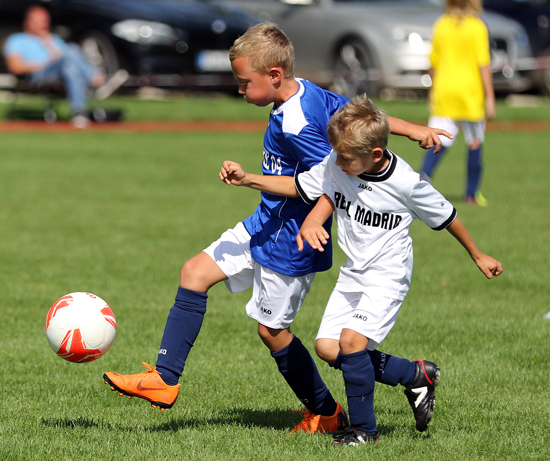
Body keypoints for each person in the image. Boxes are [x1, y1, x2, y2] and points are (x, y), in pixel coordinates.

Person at [103, 23, 452, 434]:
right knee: (194, 272)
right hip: (265, 222)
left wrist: (301, 213)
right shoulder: (307, 91)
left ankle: (333, 409)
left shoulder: (298, 123)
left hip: (290, 240)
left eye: (243, 83)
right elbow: (361, 117)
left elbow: (332, 177)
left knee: (272, 332)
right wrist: (414, 130)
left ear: (273, 75)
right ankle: (165, 379)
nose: (239, 90)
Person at [219, 94, 503, 445]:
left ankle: (365, 432)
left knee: (352, 342)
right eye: (336, 155)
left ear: (376, 154)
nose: (337, 162)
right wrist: (248, 179)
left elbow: (447, 217)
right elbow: (303, 187)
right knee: (328, 348)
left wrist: (478, 255)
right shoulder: (339, 163)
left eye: (345, 158)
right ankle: (414, 374)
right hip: (353, 274)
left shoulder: (406, 183)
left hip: (388, 276)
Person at [419, 0, 496, 206]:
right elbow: (483, 64)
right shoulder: (477, 26)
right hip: (470, 92)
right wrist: (490, 97)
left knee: (438, 139)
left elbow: (433, 62)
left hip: (445, 90)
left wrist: (432, 89)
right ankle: (471, 194)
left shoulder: (442, 24)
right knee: (474, 141)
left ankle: (422, 180)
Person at [3, 6, 126, 127]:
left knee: (70, 67)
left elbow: (68, 59)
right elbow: (15, 67)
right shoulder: (16, 40)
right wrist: (43, 64)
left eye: (45, 21)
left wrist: (49, 44)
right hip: (37, 75)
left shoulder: (53, 39)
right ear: (27, 22)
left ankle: (79, 114)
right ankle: (96, 79)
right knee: (71, 49)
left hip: (60, 73)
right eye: (38, 21)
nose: (43, 25)